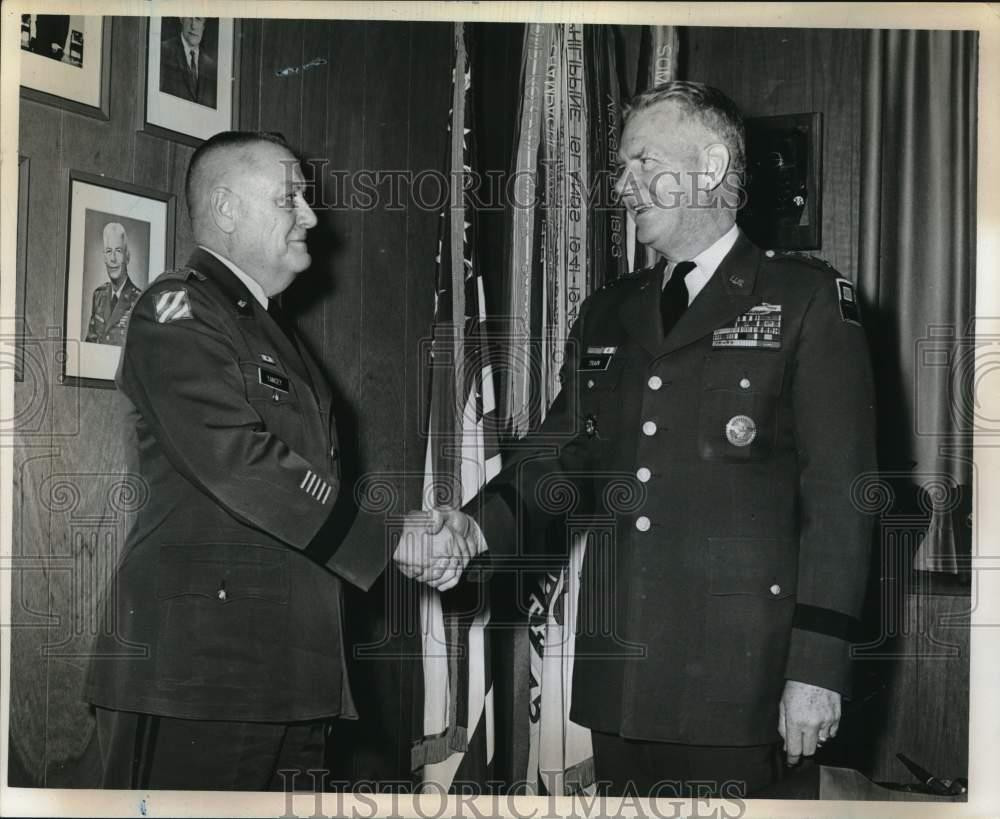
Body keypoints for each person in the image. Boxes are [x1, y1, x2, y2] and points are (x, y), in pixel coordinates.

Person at [395, 81, 877, 798]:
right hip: (621, 674)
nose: (622, 186)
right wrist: (473, 526)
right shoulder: (609, 311)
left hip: (744, 680)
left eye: (643, 163)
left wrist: (817, 666)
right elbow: (561, 458)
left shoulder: (804, 300)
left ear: (712, 167)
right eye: (621, 168)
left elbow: (842, 497)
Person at [84, 131, 390, 790]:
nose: (311, 216)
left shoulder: (268, 329)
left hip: (288, 678)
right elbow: (238, 459)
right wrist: (387, 540)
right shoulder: (177, 308)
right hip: (199, 678)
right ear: (225, 208)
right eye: (290, 197)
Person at [84, 222, 142, 346]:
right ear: (104, 257)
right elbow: (90, 344)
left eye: (118, 251)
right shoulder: (98, 296)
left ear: (127, 257)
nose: (113, 258)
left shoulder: (140, 300)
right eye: (109, 251)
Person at [159, 17, 217, 108]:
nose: (193, 26)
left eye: (198, 19)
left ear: (203, 26)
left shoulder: (211, 67)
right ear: (181, 19)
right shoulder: (163, 51)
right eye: (190, 18)